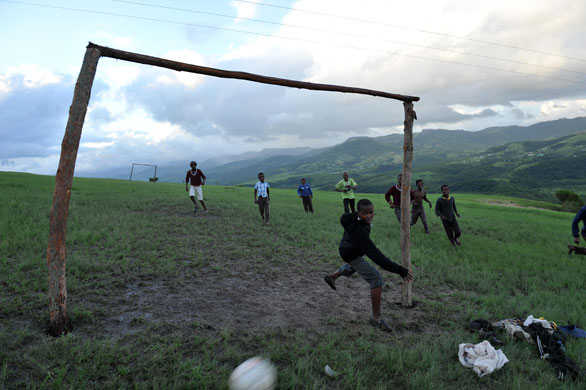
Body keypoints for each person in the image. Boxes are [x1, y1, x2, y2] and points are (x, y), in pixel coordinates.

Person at [323, 199, 414, 332]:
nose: (369, 216)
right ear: (358, 213)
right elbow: (377, 257)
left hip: (349, 247)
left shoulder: (353, 218)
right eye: (364, 213)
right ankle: (375, 319)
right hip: (350, 253)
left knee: (355, 266)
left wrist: (359, 216)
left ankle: (332, 277)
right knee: (375, 279)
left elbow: (344, 217)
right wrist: (400, 270)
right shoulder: (360, 233)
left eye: (371, 213)